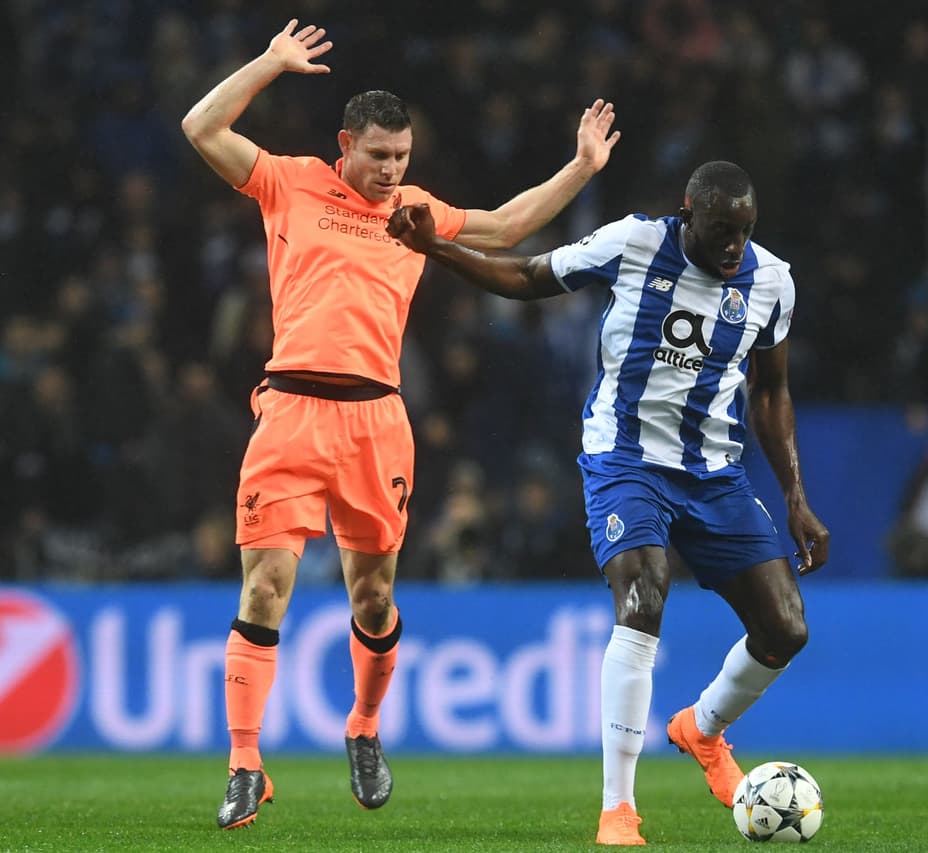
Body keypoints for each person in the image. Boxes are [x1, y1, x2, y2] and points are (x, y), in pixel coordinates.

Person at [179, 19, 620, 830]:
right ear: (345, 144)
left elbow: (509, 226)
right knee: (263, 586)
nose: (391, 172)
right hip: (289, 409)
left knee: (373, 597)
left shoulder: (413, 210)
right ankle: (246, 763)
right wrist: (270, 65)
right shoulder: (291, 181)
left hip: (376, 420)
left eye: (402, 159)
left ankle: (365, 727)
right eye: (378, 156)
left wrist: (581, 167)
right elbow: (201, 126)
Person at [386, 160, 830, 846]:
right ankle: (618, 809)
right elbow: (530, 276)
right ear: (689, 212)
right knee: (643, 597)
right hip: (625, 458)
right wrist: (436, 248)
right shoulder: (633, 242)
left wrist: (796, 496)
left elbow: (771, 391)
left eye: (744, 231)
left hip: (715, 473)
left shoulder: (773, 280)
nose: (734, 245)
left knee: (787, 629)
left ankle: (702, 730)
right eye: (721, 230)